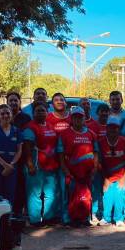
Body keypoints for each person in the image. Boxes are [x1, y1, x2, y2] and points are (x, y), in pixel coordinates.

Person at [57, 107, 99, 227]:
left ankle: (85, 218)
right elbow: (60, 153)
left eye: (80, 117)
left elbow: (96, 152)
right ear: (72, 119)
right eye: (75, 117)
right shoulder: (64, 134)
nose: (78, 120)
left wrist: (95, 168)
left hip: (87, 173)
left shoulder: (91, 134)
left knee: (86, 196)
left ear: (84, 118)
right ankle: (69, 219)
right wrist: (65, 169)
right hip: (71, 172)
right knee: (69, 195)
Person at [23, 103, 60, 226]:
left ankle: (49, 217)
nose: (40, 113)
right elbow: (27, 147)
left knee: (51, 193)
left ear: (47, 112)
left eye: (43, 111)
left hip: (51, 166)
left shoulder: (50, 126)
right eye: (38, 111)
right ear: (33, 113)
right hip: (36, 166)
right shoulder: (30, 127)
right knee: (36, 193)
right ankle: (35, 219)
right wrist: (30, 165)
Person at [0, 104, 23, 210]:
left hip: (11, 167)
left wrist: (11, 165)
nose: (5, 115)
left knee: (9, 193)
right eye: (2, 113)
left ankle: (7, 218)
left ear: (11, 115)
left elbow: (19, 150)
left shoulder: (16, 131)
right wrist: (5, 165)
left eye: (7, 113)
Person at [98, 117, 125, 226]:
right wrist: (106, 179)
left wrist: (123, 179)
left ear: (119, 129)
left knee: (118, 191)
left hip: (124, 175)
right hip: (109, 176)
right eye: (110, 128)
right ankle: (106, 218)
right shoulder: (101, 142)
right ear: (107, 129)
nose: (113, 130)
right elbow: (99, 163)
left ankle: (119, 218)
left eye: (115, 128)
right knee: (107, 193)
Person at [46, 93, 72, 224]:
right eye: (56, 100)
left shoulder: (72, 117)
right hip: (50, 159)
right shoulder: (47, 117)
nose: (59, 101)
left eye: (62, 99)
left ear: (66, 103)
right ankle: (54, 215)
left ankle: (66, 215)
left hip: (68, 160)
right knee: (52, 189)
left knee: (65, 188)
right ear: (52, 104)